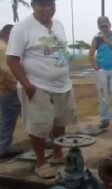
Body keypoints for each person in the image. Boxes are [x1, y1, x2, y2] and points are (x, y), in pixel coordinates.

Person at [6, 0, 77, 178]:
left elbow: (61, 51)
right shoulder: (22, 27)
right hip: (37, 86)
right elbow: (12, 60)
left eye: (50, 4)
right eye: (41, 4)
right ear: (33, 6)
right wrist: (27, 85)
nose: (47, 8)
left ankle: (58, 154)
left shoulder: (59, 25)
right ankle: (41, 163)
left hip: (62, 85)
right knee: (38, 126)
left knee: (60, 122)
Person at [0, 24, 22, 160]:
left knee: (8, 118)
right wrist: (18, 86)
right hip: (8, 89)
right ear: (8, 34)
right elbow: (6, 72)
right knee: (29, 113)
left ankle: (4, 147)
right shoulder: (3, 49)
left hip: (4, 90)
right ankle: (4, 147)